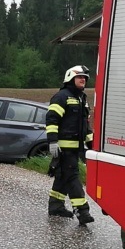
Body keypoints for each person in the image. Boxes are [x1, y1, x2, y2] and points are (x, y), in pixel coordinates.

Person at [45, 65, 95, 226]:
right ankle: (82, 211)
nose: (83, 80)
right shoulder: (62, 97)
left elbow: (85, 125)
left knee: (62, 176)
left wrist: (91, 143)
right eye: (79, 77)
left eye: (85, 78)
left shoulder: (82, 98)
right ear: (70, 78)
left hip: (76, 147)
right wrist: (53, 141)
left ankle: (56, 206)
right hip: (63, 147)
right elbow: (52, 119)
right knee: (72, 177)